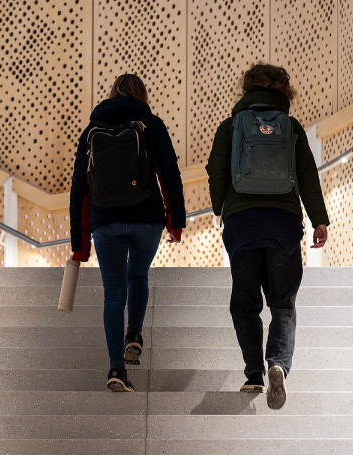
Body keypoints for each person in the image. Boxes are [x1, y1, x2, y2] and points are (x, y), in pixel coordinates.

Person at [205, 64, 329, 410]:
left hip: (243, 224)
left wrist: (222, 207)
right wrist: (319, 220)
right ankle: (278, 363)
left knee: (245, 303)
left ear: (246, 88)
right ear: (283, 91)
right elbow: (307, 176)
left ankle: (254, 374)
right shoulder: (290, 127)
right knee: (283, 302)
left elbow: (216, 171)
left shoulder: (231, 126)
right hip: (283, 225)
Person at [69, 74, 186, 392]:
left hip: (105, 222)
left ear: (111, 94)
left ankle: (116, 369)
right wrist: (176, 220)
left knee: (113, 293)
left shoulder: (91, 131)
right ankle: (134, 334)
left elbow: (80, 188)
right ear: (142, 95)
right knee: (138, 275)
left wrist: (79, 245)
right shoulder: (152, 125)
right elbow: (169, 173)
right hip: (146, 219)